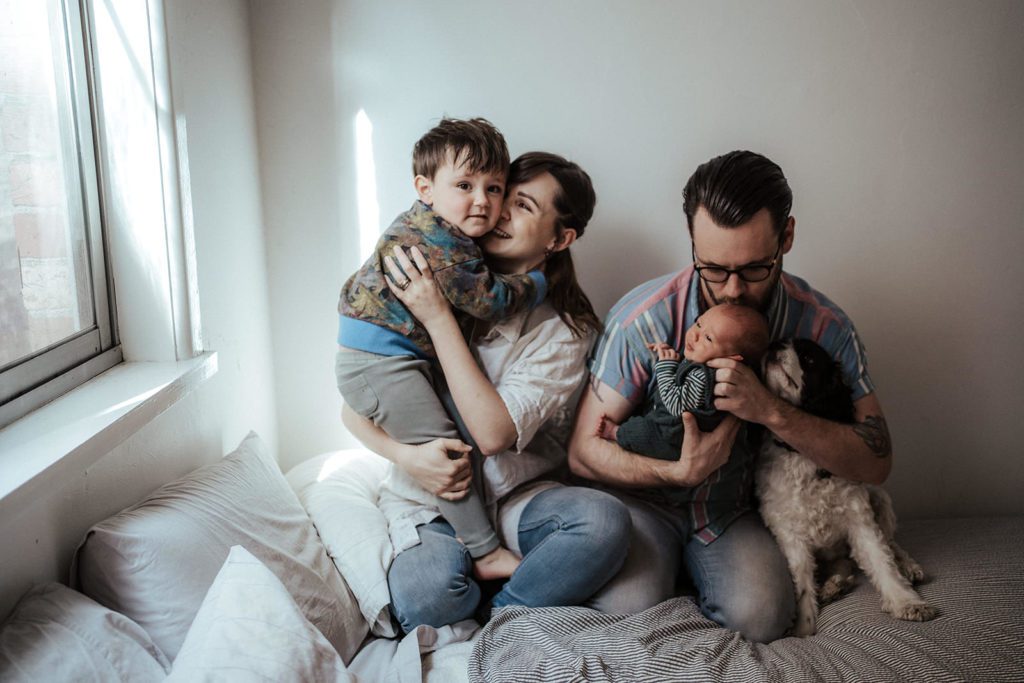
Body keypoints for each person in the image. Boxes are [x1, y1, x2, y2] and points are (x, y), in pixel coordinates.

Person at [568, 150, 891, 643]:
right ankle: (666, 572)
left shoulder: (824, 328)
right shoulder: (645, 319)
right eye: (713, 269)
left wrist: (771, 411)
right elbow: (582, 452)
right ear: (692, 243)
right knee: (625, 610)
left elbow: (876, 462)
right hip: (645, 503)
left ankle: (698, 573)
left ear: (786, 238)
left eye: (755, 268)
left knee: (762, 614)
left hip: (729, 512)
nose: (733, 290)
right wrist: (676, 471)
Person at [343, 152, 631, 634]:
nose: (495, 211)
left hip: (515, 497)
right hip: (432, 498)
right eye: (500, 196)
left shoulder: (564, 330)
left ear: (560, 239)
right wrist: (406, 458)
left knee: (603, 524)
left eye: (522, 205)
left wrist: (438, 317)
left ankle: (504, 614)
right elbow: (356, 400)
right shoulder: (424, 272)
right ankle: (500, 586)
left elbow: (494, 434)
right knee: (427, 600)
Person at [336, 118, 544, 580]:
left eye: (494, 189)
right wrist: (537, 283)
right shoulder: (443, 243)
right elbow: (490, 300)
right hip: (380, 364)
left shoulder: (430, 226)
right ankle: (485, 551)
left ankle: (472, 531)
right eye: (465, 185)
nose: (481, 201)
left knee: (465, 434)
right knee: (446, 449)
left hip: (391, 358)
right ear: (425, 188)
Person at [598, 303, 769, 461]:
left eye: (708, 338)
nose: (694, 334)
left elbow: (675, 404)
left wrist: (665, 366)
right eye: (699, 323)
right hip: (667, 424)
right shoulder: (701, 359)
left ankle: (615, 432)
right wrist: (671, 357)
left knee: (641, 432)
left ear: (731, 358)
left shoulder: (706, 377)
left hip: (673, 439)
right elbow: (683, 377)